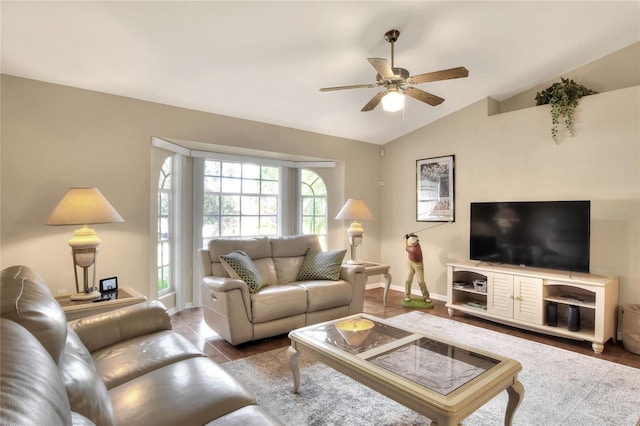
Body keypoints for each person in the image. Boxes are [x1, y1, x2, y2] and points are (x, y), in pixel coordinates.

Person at [404, 233, 432, 303]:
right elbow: (408, 242)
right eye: (411, 243)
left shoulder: (415, 250)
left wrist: (405, 239)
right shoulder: (413, 244)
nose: (412, 244)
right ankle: (407, 295)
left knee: (421, 281)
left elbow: (405, 246)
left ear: (417, 242)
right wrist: (408, 237)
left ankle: (426, 297)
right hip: (410, 262)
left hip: (418, 265)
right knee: (408, 280)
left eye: (413, 243)